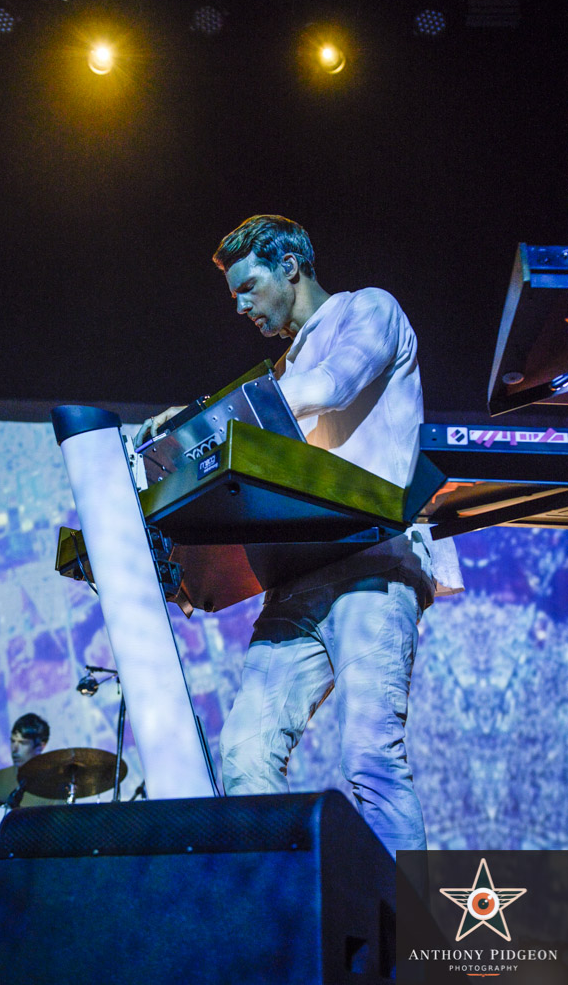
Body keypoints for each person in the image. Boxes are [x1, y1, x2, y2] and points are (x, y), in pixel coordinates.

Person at [206, 215, 463, 857]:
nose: (239, 305)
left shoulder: (368, 310)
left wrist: (207, 425)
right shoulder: (282, 370)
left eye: (247, 287)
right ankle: (286, 920)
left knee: (370, 758)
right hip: (297, 582)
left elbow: (330, 386)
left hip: (373, 562)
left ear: (290, 268)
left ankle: (411, 945)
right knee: (242, 756)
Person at [0, 713, 53, 807]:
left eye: (23, 743)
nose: (14, 749)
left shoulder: (53, 783)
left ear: (40, 747)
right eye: (12, 741)